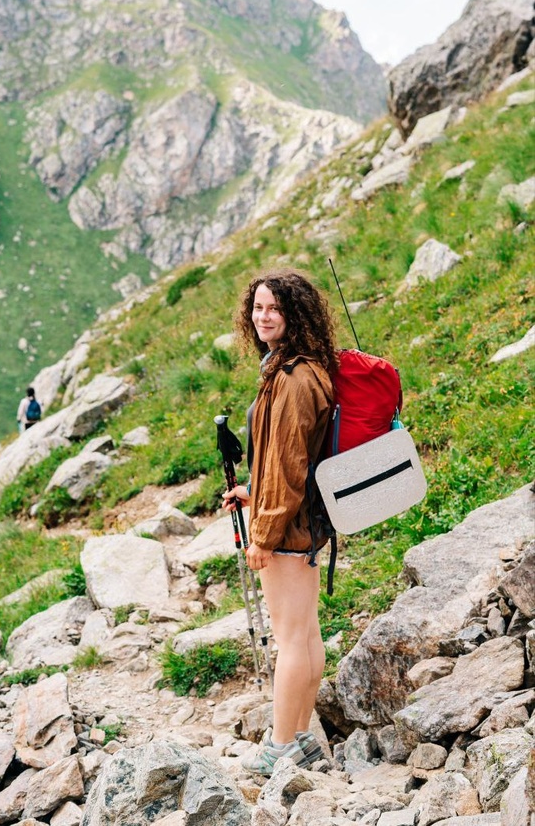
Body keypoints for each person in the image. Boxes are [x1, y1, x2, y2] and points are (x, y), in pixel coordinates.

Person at [222, 269, 337, 777]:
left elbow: (289, 465)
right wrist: (253, 491)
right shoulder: (302, 368)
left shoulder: (291, 379)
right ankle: (304, 738)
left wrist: (262, 535)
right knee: (306, 634)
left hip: (287, 529)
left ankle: (277, 746)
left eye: (273, 309)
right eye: (258, 307)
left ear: (294, 315)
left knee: (290, 639)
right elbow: (284, 460)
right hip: (306, 518)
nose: (262, 316)